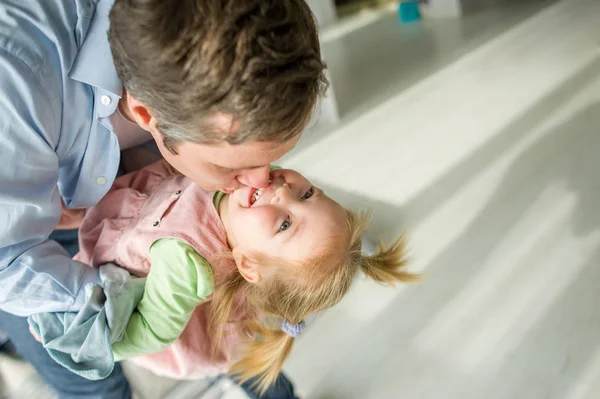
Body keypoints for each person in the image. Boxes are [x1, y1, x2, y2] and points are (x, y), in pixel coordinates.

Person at [0, 0, 327, 398]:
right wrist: (110, 311)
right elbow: (9, 261)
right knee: (91, 383)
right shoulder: (16, 90)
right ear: (143, 112)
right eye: (235, 166)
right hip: (26, 225)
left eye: (268, 159)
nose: (265, 181)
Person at [41, 160, 417, 395]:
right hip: (220, 311)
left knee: (248, 369)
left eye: (285, 223)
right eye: (307, 193)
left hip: (197, 336)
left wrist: (96, 344)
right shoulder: (245, 186)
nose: (283, 190)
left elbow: (155, 332)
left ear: (249, 265)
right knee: (248, 363)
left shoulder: (184, 259)